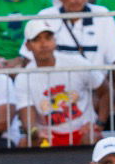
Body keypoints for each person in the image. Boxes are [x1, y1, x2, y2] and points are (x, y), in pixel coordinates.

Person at [16, 19, 104, 147]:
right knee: (25, 143)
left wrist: (99, 124)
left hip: (83, 130)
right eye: (37, 39)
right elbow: (27, 117)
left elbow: (106, 91)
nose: (44, 44)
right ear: (28, 46)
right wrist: (36, 132)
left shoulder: (77, 62)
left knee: (92, 138)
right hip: (49, 135)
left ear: (55, 41)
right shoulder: (23, 78)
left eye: (48, 37)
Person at [39, 0, 115, 71]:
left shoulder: (102, 14)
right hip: (58, 83)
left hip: (95, 84)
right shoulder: (46, 16)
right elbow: (31, 56)